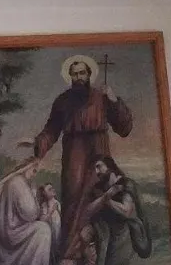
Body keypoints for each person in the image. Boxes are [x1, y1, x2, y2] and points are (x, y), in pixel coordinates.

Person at [34, 56, 134, 258]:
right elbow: (51, 129)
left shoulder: (102, 97)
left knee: (100, 195)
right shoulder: (62, 101)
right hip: (74, 155)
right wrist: (38, 143)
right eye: (74, 74)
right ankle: (72, 255)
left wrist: (114, 100)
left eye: (82, 73)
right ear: (69, 76)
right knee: (73, 199)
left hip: (99, 151)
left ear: (89, 74)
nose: (78, 77)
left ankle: (100, 254)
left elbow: (124, 128)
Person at [68, 155, 152, 265]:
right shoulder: (99, 187)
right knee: (84, 235)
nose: (97, 172)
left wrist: (106, 200)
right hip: (105, 228)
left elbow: (126, 212)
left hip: (124, 229)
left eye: (99, 166)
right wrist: (106, 196)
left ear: (110, 166)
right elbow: (87, 211)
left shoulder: (126, 183)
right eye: (95, 168)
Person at [0, 158, 54, 265]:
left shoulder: (16, 181)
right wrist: (34, 195)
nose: (34, 175)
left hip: (12, 229)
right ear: (27, 167)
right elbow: (30, 214)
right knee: (43, 229)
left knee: (42, 227)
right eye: (34, 170)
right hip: (13, 233)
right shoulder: (18, 183)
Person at [37, 183, 62, 260]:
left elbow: (61, 216)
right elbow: (42, 220)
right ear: (45, 194)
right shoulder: (44, 205)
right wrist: (51, 211)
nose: (53, 190)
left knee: (57, 243)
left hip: (57, 227)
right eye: (49, 189)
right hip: (48, 229)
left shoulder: (57, 203)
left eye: (52, 188)